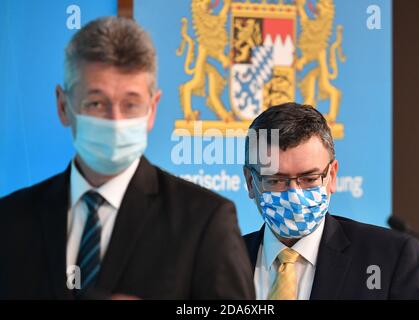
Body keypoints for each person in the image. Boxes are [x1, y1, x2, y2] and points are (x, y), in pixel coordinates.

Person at [0, 17, 254, 300]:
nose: (115, 120)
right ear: (62, 106)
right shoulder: (10, 220)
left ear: (152, 109)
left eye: (131, 104)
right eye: (96, 103)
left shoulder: (205, 221)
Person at [243, 102, 419, 299]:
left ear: (332, 176)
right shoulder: (217, 261)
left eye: (309, 179)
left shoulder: (391, 258)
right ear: (250, 181)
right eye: (276, 180)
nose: (294, 194)